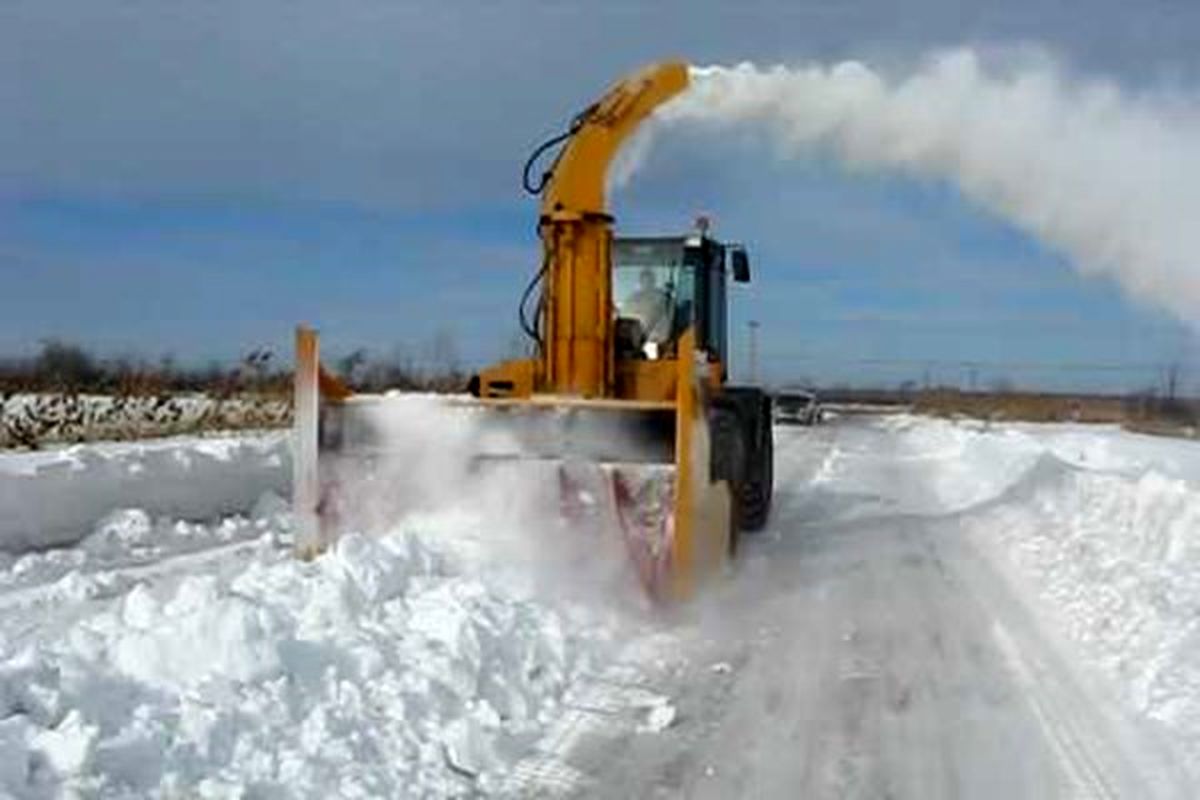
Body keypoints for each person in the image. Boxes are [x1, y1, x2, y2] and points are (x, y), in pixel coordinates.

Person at [623, 268, 672, 342]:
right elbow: (626, 317)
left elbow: (667, 318)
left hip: (661, 339)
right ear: (641, 282)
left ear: (654, 282)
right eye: (645, 281)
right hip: (636, 340)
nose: (647, 284)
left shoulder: (662, 298)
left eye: (650, 281)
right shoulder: (633, 299)